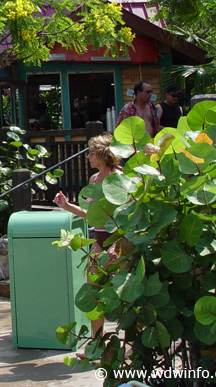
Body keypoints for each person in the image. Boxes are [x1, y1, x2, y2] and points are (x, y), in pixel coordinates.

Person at [53, 133, 121, 337]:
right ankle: (96, 342)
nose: (88, 157)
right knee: (93, 293)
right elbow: (92, 216)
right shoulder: (94, 179)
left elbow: (127, 215)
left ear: (102, 154)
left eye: (91, 153)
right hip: (98, 239)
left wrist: (116, 245)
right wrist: (66, 206)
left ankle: (132, 348)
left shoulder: (119, 178)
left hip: (118, 240)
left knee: (124, 293)